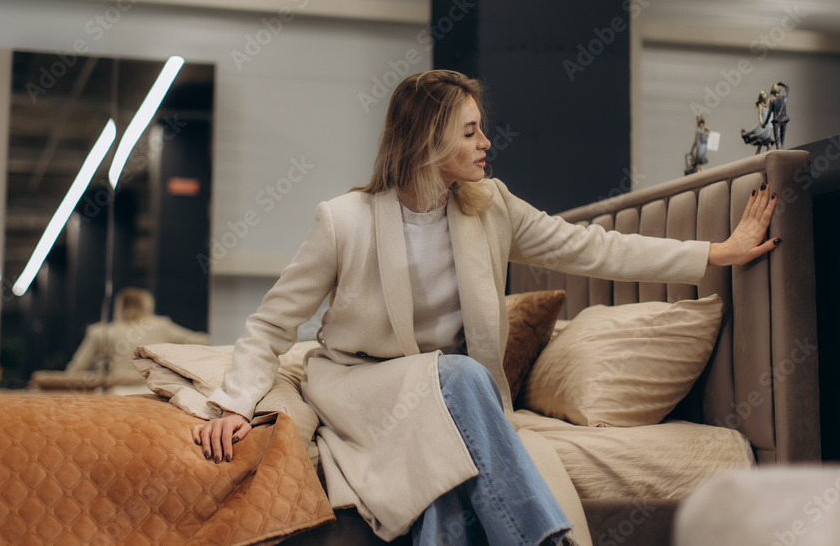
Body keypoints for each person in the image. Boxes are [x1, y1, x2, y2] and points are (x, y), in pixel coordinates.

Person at [192, 70, 780, 545]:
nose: (486, 144)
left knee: (444, 480)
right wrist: (235, 404)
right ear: (429, 138)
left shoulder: (490, 205)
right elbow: (272, 322)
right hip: (360, 386)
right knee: (461, 376)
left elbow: (595, 247)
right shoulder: (343, 220)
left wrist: (715, 253)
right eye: (471, 132)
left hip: (452, 399)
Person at [65, 287, 209, 390]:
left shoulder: (101, 331)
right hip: (154, 393)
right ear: (147, 304)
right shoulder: (161, 326)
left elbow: (77, 368)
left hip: (115, 393)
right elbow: (201, 340)